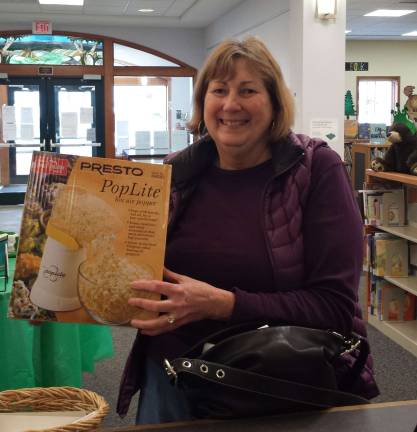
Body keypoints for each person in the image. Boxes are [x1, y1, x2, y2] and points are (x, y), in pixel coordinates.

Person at [117, 36, 379, 423]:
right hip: (169, 373)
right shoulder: (174, 173)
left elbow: (335, 308)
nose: (230, 105)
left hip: (273, 380)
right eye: (218, 90)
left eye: (248, 90)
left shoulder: (315, 169)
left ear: (274, 102)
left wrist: (223, 304)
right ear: (202, 101)